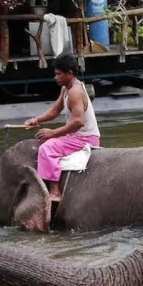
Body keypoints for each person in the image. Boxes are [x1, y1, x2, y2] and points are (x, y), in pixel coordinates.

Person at [24, 52, 100, 207]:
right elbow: (54, 111)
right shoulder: (66, 89)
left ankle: (55, 191)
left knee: (47, 148)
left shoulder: (75, 92)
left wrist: (53, 133)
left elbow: (79, 122)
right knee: (44, 140)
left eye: (59, 74)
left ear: (69, 74)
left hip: (85, 137)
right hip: (76, 135)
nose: (55, 77)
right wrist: (36, 120)